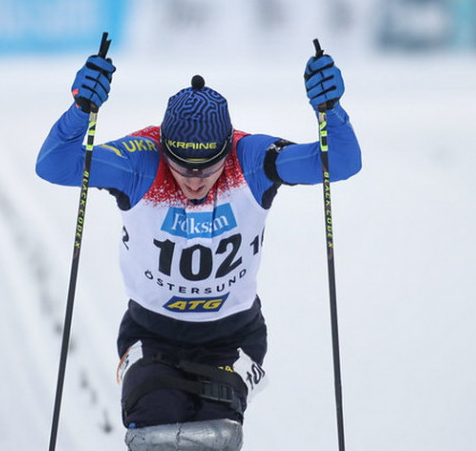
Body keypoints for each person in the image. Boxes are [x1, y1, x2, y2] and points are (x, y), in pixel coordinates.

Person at [35, 44, 361, 451]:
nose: (194, 181)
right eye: (181, 167)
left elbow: (342, 162)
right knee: (154, 436)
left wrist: (332, 112)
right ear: (164, 147)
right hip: (151, 332)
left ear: (227, 148)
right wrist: (80, 109)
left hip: (232, 337)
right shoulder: (141, 161)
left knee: (213, 440)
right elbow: (52, 164)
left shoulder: (253, 159)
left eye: (207, 167)